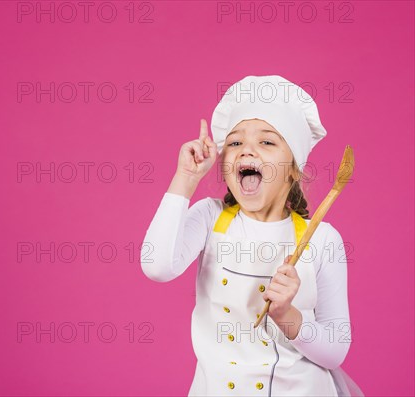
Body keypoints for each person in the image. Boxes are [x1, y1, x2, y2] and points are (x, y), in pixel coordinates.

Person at [141, 76, 364, 397]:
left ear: (293, 168)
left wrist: (287, 315)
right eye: (234, 143)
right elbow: (156, 266)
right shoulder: (210, 218)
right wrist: (185, 178)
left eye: (267, 142)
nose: (247, 149)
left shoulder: (322, 240)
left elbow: (335, 351)